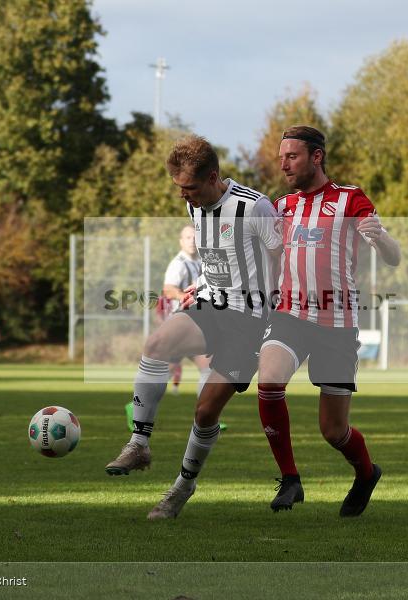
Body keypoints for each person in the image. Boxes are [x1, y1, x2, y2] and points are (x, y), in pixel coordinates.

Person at [103, 135, 282, 522]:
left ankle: (183, 486)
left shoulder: (255, 208)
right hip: (211, 304)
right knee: (156, 344)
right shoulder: (196, 206)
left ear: (213, 177)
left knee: (205, 412)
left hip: (251, 321)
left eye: (190, 188)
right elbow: (218, 259)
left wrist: (279, 318)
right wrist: (200, 286)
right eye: (180, 189)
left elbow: (281, 260)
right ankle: (139, 444)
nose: (184, 197)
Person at [257, 125, 401, 517]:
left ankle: (366, 473)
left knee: (333, 431)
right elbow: (260, 259)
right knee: (268, 382)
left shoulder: (350, 199)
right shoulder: (281, 207)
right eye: (281, 156)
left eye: (292, 156)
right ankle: (290, 478)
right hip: (289, 315)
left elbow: (393, 256)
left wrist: (382, 239)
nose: (283, 164)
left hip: (337, 323)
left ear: (316, 157)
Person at [157, 224, 211, 396]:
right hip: (180, 323)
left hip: (194, 322)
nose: (192, 241)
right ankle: (204, 419)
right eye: (188, 237)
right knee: (207, 366)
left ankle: (137, 407)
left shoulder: (201, 261)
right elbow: (168, 289)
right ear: (181, 241)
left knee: (203, 367)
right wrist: (184, 297)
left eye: (195, 237)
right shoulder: (178, 264)